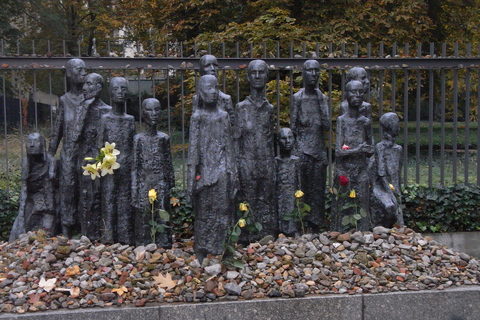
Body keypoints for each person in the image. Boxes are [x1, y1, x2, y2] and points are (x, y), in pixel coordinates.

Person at [188, 75, 238, 261]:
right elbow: (193, 152)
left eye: (216, 88)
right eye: (209, 88)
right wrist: (191, 179)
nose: (214, 92)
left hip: (223, 172)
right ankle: (202, 248)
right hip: (205, 174)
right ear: (201, 92)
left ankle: (224, 247)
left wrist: (233, 175)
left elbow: (229, 147)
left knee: (223, 212)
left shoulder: (224, 116)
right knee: (203, 213)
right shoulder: (197, 117)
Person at [234, 59, 276, 239]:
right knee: (248, 202)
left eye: (261, 72)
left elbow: (270, 138)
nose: (258, 76)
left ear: (267, 76)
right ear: (248, 77)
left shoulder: (269, 108)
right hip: (247, 163)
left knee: (266, 201)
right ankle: (248, 237)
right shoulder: (241, 108)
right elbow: (236, 140)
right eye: (254, 72)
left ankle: (267, 235)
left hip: (266, 162)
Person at [48, 58, 87, 238]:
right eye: (79, 71)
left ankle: (86, 228)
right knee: (68, 190)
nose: (83, 74)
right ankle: (66, 229)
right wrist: (50, 156)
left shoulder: (91, 99)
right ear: (70, 74)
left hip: (87, 153)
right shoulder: (64, 100)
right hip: (69, 154)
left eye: (84, 70)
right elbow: (57, 130)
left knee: (86, 190)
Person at [291, 60, 330, 231]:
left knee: (318, 192)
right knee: (302, 190)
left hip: (318, 151)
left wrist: (322, 102)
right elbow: (293, 128)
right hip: (302, 150)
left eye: (316, 71)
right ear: (303, 74)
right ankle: (301, 223)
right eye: (309, 71)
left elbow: (327, 125)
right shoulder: (297, 98)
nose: (313, 74)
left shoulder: (322, 98)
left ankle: (316, 225)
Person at [132, 98, 175, 247]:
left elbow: (168, 163)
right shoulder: (138, 139)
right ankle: (143, 242)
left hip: (161, 182)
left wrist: (171, 185)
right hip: (144, 183)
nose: (154, 114)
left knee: (162, 213)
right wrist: (134, 190)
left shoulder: (164, 138)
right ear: (143, 113)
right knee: (144, 214)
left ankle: (164, 244)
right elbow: (135, 167)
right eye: (150, 110)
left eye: (157, 110)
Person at [332, 80, 374, 232]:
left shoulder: (365, 122)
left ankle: (363, 237)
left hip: (360, 171)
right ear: (347, 95)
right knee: (342, 209)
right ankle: (340, 238)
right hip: (344, 171)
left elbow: (370, 149)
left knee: (362, 208)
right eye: (353, 92)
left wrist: (365, 150)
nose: (357, 95)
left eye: (360, 92)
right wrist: (358, 149)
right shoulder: (342, 121)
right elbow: (338, 152)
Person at [98, 77, 136, 244]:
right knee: (108, 202)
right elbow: (99, 145)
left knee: (125, 202)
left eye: (123, 89)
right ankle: (108, 236)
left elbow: (133, 144)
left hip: (127, 167)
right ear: (110, 93)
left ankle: (125, 236)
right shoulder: (105, 119)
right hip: (110, 167)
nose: (120, 92)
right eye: (116, 89)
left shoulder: (130, 120)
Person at [76, 73, 111, 240]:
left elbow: (111, 141)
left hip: (104, 161)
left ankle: (103, 234)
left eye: (89, 84)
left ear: (98, 88)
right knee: (85, 199)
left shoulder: (108, 111)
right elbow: (75, 135)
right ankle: (86, 234)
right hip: (84, 160)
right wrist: (84, 109)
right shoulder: (81, 108)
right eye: (84, 84)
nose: (84, 88)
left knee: (102, 198)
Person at [10, 133, 57, 241]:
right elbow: (24, 189)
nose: (31, 145)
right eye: (29, 142)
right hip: (31, 199)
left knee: (46, 234)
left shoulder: (51, 162)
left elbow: (52, 189)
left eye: (35, 142)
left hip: (48, 203)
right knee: (18, 230)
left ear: (42, 145)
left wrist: (49, 209)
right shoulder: (26, 162)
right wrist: (21, 217)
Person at [370, 112, 404, 227]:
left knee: (396, 207)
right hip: (383, 187)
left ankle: (399, 227)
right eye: (396, 124)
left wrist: (397, 191)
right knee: (390, 206)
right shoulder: (380, 147)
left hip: (394, 187)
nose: (399, 127)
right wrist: (391, 193)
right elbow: (381, 172)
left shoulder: (398, 149)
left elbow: (398, 174)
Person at [192, 54, 234, 125]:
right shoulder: (196, 99)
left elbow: (231, 123)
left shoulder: (226, 99)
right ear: (201, 70)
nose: (212, 68)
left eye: (215, 65)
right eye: (207, 65)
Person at [275, 127, 300, 237]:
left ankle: (294, 228)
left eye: (290, 138)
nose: (288, 141)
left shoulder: (297, 161)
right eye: (284, 138)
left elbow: (300, 184)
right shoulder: (275, 161)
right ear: (278, 141)